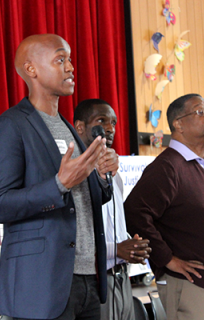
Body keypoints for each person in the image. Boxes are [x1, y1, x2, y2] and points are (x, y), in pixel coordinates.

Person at [0, 34, 118, 320]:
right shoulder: (10, 126)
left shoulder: (70, 130)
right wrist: (59, 185)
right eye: (60, 59)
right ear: (31, 70)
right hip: (41, 284)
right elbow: (1, 205)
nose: (70, 67)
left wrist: (103, 176)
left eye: (69, 60)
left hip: (88, 279)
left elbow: (89, 197)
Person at [124, 94, 204, 320]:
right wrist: (167, 259)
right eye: (200, 112)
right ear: (178, 124)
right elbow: (134, 212)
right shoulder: (167, 168)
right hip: (197, 290)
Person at [73, 99, 151, 320]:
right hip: (94, 280)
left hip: (121, 277)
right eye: (101, 121)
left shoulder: (114, 174)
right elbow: (77, 238)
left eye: (114, 123)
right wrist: (116, 249)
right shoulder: (73, 173)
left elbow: (114, 225)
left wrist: (132, 245)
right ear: (80, 127)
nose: (110, 128)